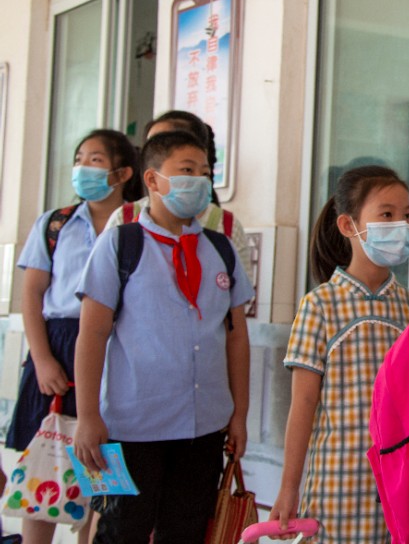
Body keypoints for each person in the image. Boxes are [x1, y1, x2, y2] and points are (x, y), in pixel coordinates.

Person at [73, 130, 254, 543]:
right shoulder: (122, 244)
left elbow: (236, 337)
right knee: (124, 530)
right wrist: (87, 417)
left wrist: (239, 414)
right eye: (186, 171)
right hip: (133, 425)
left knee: (187, 530)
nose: (200, 181)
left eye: (206, 172)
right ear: (152, 180)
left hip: (204, 425)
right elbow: (92, 333)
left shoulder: (220, 249)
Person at [269, 166, 409, 542]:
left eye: (406, 215)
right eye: (386, 214)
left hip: (401, 485)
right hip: (337, 486)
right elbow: (302, 404)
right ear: (347, 225)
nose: (400, 225)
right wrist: (289, 487)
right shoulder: (319, 305)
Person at [7, 129, 141, 544]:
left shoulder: (138, 223)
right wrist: (43, 358)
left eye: (95, 159)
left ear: (122, 172)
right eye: (80, 157)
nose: (83, 167)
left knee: (104, 470)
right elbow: (31, 294)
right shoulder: (55, 223)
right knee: (45, 465)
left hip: (116, 345)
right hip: (60, 342)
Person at [105, 110, 252, 270]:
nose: (160, 150)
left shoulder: (226, 227)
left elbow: (240, 292)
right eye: (154, 144)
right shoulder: (123, 220)